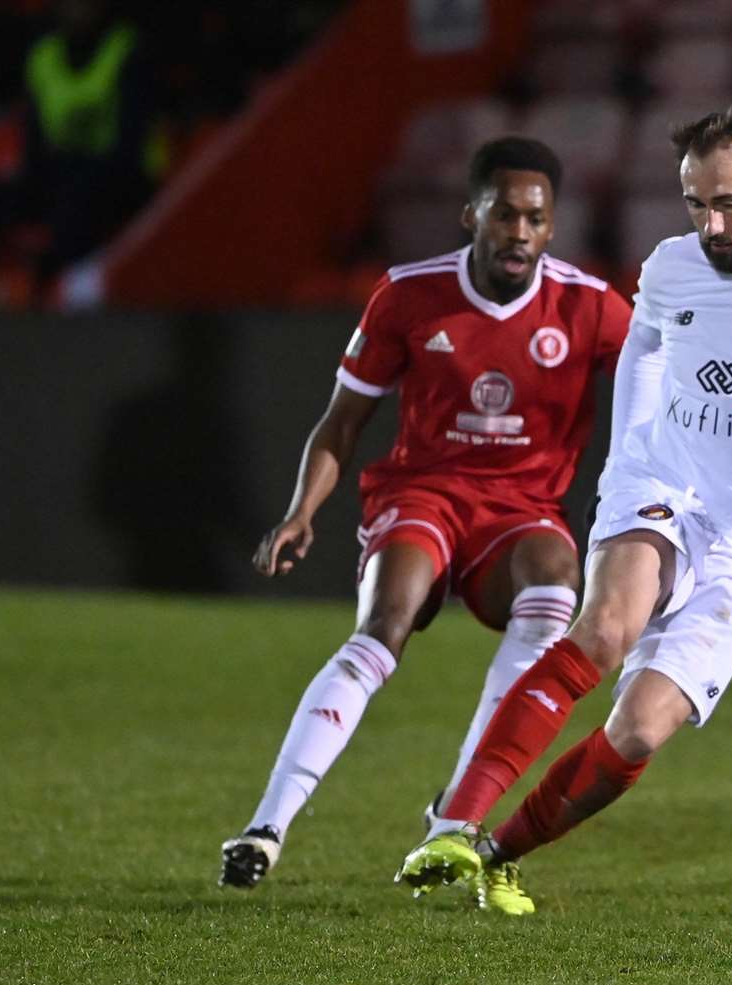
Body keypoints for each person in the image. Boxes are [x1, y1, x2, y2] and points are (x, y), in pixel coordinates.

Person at [396, 109, 732, 914]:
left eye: (726, 203)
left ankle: (498, 854)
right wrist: (627, 460)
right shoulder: (671, 266)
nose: (711, 224)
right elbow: (644, 354)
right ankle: (455, 820)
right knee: (605, 629)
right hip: (665, 489)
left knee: (640, 730)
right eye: (694, 204)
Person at [218, 137, 632, 911]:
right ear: (471, 213)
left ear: (552, 226)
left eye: (535, 219)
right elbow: (342, 423)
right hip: (424, 496)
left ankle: (457, 815)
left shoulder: (590, 306)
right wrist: (301, 512)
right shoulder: (409, 294)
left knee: (556, 587)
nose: (519, 232)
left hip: (522, 513)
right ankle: (265, 829)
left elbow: (670, 387)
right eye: (504, 214)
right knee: (385, 622)